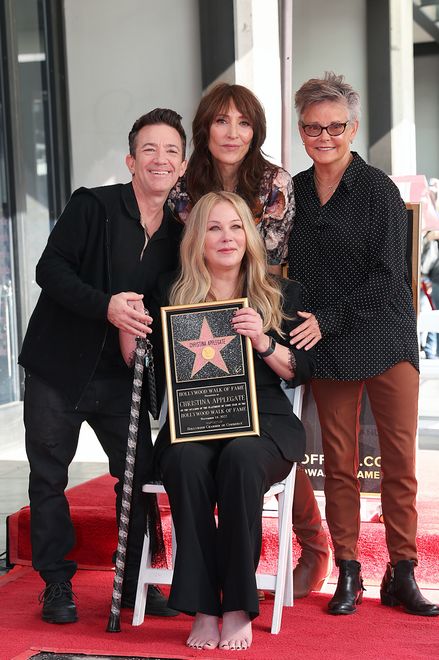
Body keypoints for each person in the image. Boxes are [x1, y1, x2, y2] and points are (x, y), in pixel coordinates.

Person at [121, 190, 315, 650]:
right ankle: (204, 607)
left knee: (242, 460)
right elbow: (146, 366)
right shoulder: (171, 290)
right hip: (195, 418)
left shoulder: (282, 292)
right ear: (197, 239)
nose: (226, 237)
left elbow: (301, 370)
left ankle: (236, 606)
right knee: (185, 463)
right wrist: (129, 337)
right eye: (213, 227)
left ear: (248, 235)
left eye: (234, 227)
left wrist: (263, 341)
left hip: (264, 421)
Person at [18, 108, 188, 623]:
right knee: (49, 477)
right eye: (150, 150)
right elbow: (49, 269)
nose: (161, 160)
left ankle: (137, 577)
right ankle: (56, 584)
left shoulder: (180, 236)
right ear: (131, 160)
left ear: (181, 167)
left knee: (137, 476)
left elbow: (168, 302)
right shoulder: (92, 206)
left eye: (172, 152)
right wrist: (107, 306)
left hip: (123, 377)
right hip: (58, 368)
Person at [168, 82, 331, 599]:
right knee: (189, 457)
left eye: (243, 122)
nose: (232, 132)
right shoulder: (181, 187)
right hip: (197, 325)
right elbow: (179, 260)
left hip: (257, 306)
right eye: (221, 121)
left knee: (247, 451)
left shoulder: (274, 184)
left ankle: (304, 550)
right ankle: (195, 596)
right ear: (205, 129)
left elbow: (269, 266)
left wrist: (262, 320)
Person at [288, 72, 439, 617]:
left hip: (384, 332)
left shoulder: (378, 190)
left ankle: (402, 573)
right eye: (311, 126)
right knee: (339, 462)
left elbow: (386, 274)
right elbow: (292, 270)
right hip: (327, 342)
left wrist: (326, 318)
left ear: (352, 127)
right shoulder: (295, 193)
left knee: (399, 462)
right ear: (300, 130)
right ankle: (348, 570)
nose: (323, 136)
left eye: (334, 126)